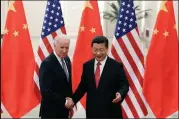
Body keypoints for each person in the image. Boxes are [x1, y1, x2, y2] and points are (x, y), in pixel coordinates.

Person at [70, 36, 129, 118]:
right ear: (92, 49)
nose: (98, 53)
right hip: (92, 112)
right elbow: (83, 87)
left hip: (111, 112)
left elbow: (124, 85)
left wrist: (120, 94)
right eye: (95, 50)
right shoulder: (87, 66)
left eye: (101, 50)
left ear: (107, 49)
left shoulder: (116, 66)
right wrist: (72, 101)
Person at [39, 34, 74, 118]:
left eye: (67, 47)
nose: (65, 50)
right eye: (62, 47)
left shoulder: (67, 60)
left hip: (64, 111)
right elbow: (45, 91)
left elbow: (67, 85)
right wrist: (65, 102)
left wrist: (70, 106)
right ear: (54, 46)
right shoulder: (47, 63)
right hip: (51, 111)